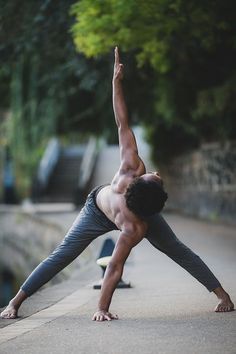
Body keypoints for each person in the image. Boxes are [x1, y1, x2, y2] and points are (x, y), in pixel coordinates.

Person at [1, 47, 234, 321]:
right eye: (156, 179)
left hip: (126, 215)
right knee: (62, 255)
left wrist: (101, 308)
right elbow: (121, 123)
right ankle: (15, 302)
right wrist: (115, 82)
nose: (157, 174)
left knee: (176, 249)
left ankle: (223, 295)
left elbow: (115, 266)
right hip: (96, 210)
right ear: (136, 181)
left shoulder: (136, 224)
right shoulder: (129, 170)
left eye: (156, 180)